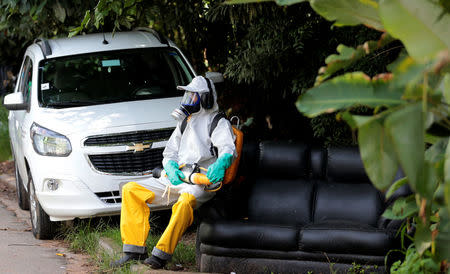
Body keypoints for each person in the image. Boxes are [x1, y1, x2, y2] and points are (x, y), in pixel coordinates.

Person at [112, 75, 236, 269]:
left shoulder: (218, 122)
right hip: (178, 177)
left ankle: (162, 254)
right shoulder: (185, 121)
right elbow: (169, 152)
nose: (188, 99)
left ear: (205, 99)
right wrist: (169, 166)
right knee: (131, 189)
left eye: (192, 96)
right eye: (187, 95)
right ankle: (133, 250)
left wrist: (220, 164)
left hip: (201, 181)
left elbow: (228, 149)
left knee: (184, 202)